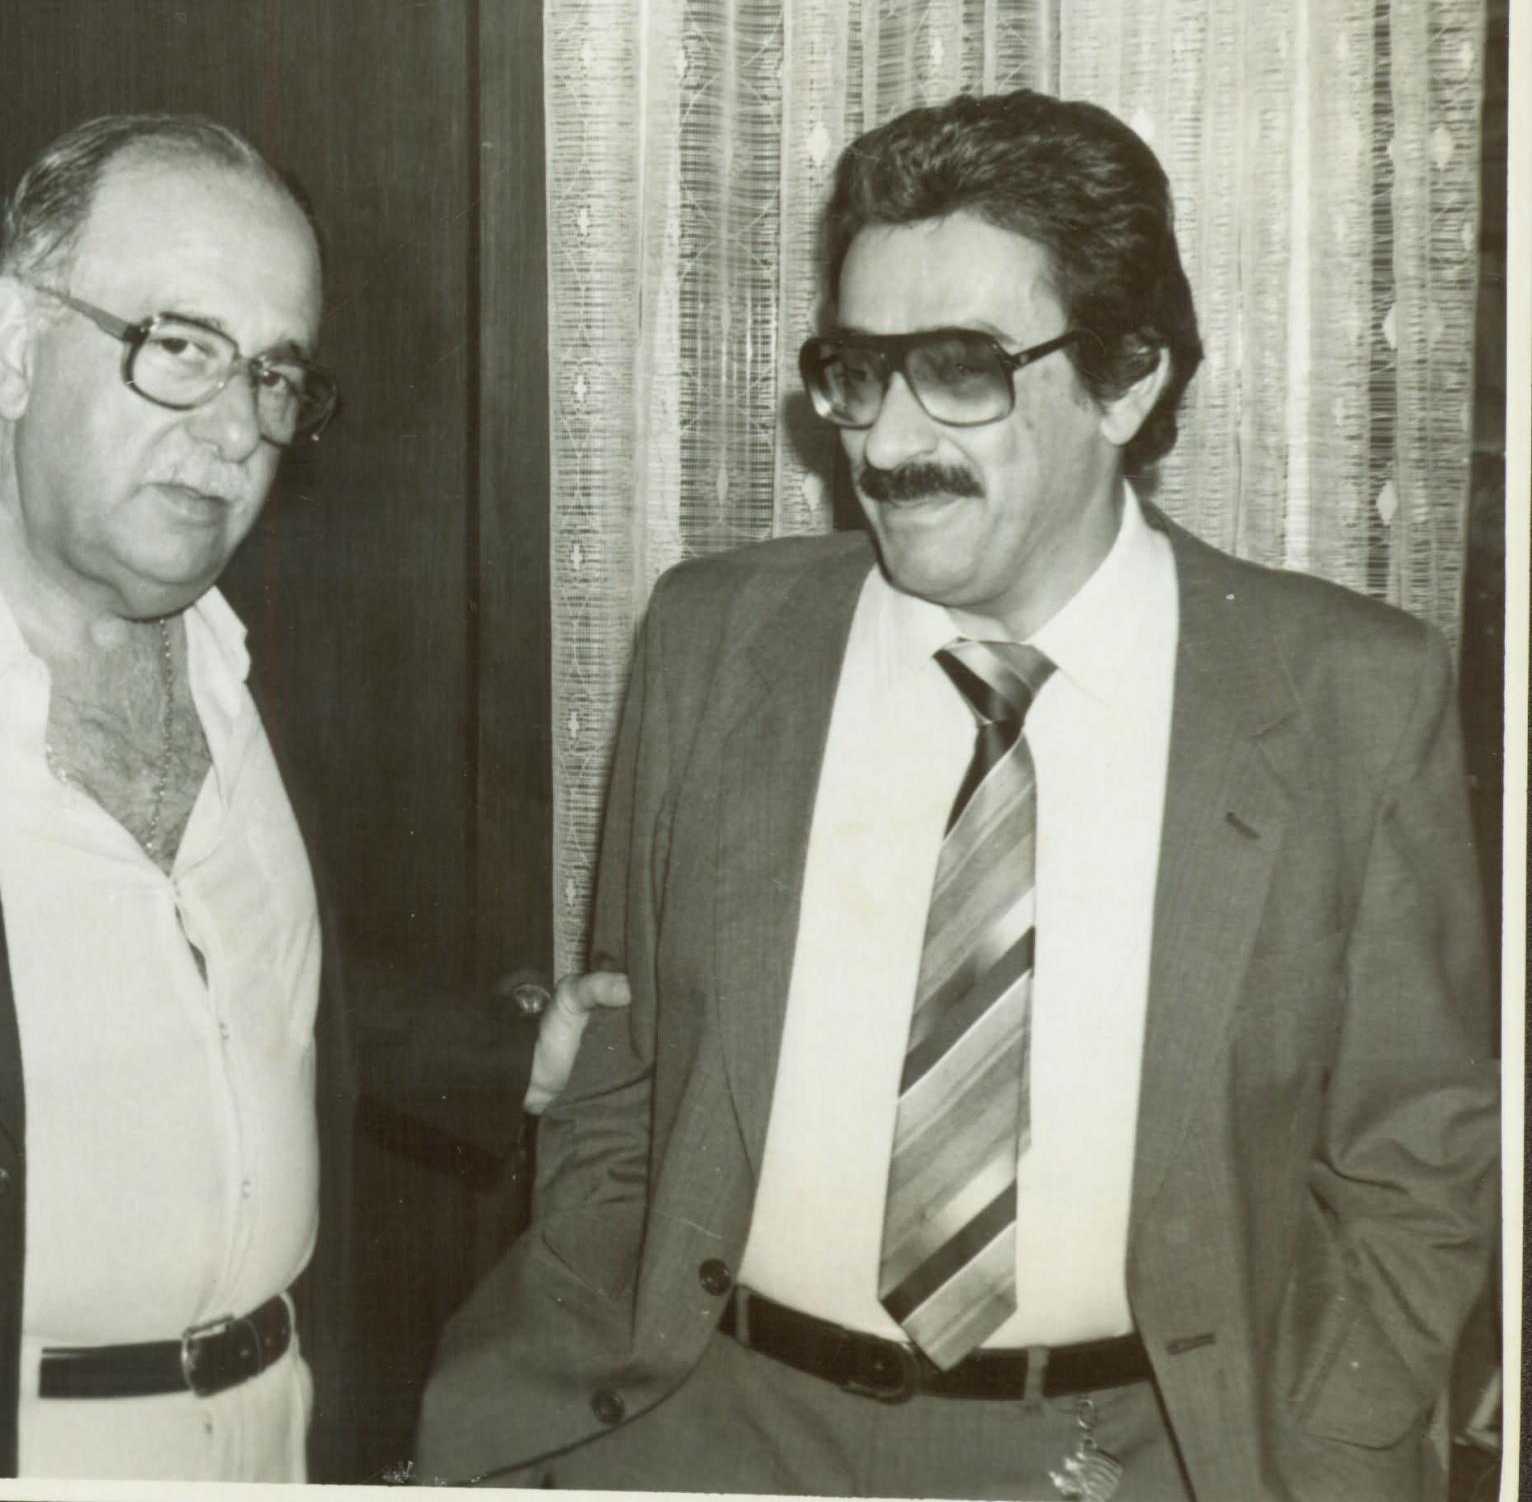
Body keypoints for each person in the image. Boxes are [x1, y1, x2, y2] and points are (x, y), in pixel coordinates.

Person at [416, 91, 1497, 1502]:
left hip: (1121, 1455)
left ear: (1125, 381)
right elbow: (623, 1070)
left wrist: (1332, 1449)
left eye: (956, 371)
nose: (883, 441)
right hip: (711, 1426)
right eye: (857, 371)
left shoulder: (1348, 693)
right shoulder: (711, 639)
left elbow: (1414, 1164)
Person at [0, 112, 621, 1483]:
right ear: (13, 346)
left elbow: (243, 988)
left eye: (274, 374)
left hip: (285, 1437)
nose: (235, 432)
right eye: (179, 347)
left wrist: (507, 1055)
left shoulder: (268, 664)